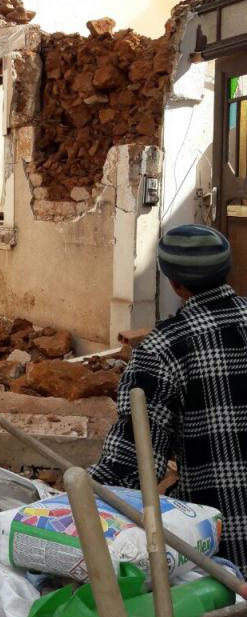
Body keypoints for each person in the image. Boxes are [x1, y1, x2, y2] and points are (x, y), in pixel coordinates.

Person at [89, 223, 247, 575]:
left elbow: (134, 465)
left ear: (175, 283)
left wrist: (72, 496)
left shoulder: (163, 349)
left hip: (226, 552)